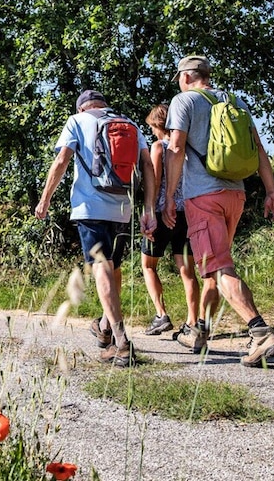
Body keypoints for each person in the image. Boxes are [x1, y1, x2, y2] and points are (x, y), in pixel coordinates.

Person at [162, 55, 274, 367]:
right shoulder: (236, 102)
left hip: (203, 196)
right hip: (235, 194)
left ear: (186, 77)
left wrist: (169, 197)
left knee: (218, 268)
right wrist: (271, 192)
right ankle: (200, 331)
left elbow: (175, 148)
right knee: (215, 266)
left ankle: (260, 332)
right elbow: (259, 150)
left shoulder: (184, 100)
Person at [35, 89, 157, 367]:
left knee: (101, 266)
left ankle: (121, 342)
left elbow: (62, 160)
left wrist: (45, 199)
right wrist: (148, 209)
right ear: (103, 104)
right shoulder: (129, 124)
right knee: (113, 268)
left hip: (90, 208)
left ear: (82, 108)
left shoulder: (77, 121)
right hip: (123, 210)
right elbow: (148, 166)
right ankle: (104, 326)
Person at [140, 104, 201, 336]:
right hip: (186, 214)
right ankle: (192, 321)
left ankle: (161, 314)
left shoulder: (159, 147)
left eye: (152, 127)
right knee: (187, 270)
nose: (152, 131)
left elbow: (155, 182)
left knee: (148, 265)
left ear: (158, 125)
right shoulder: (187, 149)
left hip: (162, 213)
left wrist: (150, 211)